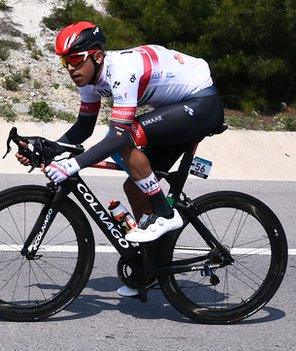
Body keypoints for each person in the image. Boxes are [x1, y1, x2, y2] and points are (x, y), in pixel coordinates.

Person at [16, 21, 225, 296]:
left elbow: (118, 135)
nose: (70, 67)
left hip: (201, 103)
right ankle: (149, 266)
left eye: (76, 59)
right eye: (65, 61)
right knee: (134, 186)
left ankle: (165, 214)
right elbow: (83, 128)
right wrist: (47, 148)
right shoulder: (88, 80)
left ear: (97, 56)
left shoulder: (121, 71)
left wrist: (73, 164)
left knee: (125, 140)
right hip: (175, 108)